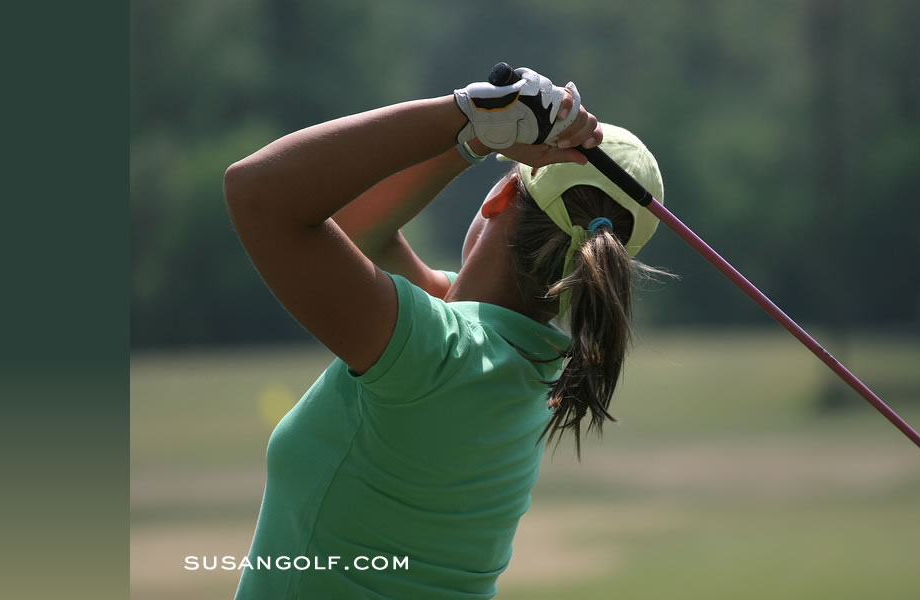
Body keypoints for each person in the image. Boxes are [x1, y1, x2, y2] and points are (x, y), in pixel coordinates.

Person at [223, 67, 668, 599]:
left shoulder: (434, 353)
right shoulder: (529, 364)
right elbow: (357, 231)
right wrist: (478, 132)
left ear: (499, 198)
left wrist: (470, 121)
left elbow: (258, 192)